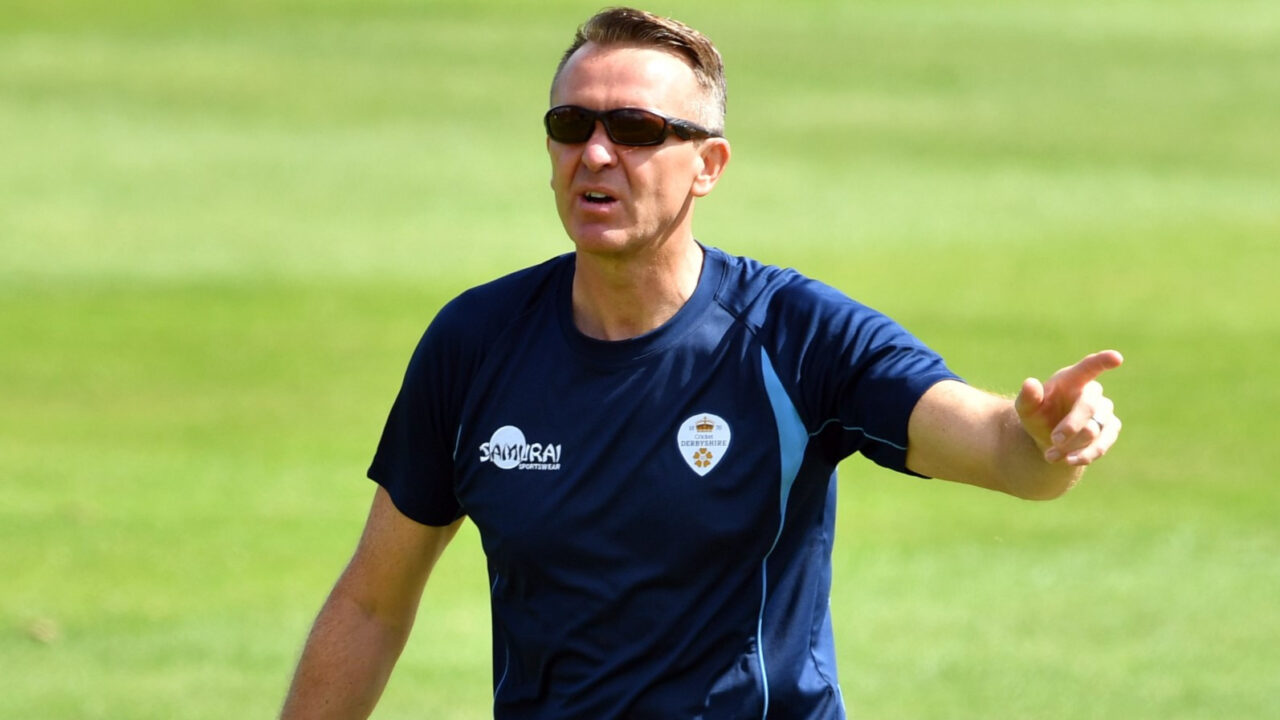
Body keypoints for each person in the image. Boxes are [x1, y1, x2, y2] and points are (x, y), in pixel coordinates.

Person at [280, 7, 1124, 719]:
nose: (596, 154)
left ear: (708, 166)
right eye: (571, 126)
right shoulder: (475, 342)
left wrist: (1049, 438)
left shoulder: (795, 335)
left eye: (636, 130)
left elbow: (1003, 453)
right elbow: (372, 602)